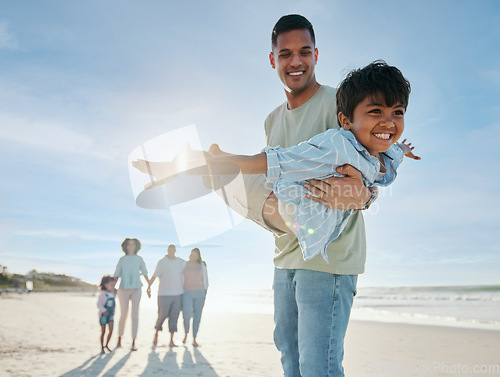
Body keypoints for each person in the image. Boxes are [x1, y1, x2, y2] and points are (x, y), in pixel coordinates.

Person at [132, 61, 419, 262]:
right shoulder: (336, 146)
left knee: (227, 179)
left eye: (397, 113)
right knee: (227, 177)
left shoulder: (385, 151)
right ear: (345, 120)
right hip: (278, 204)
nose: (388, 122)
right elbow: (278, 160)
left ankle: (208, 160)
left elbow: (391, 154)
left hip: (290, 220)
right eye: (376, 111)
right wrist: (207, 165)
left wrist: (400, 149)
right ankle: (199, 161)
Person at [114, 238, 150, 351]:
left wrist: (149, 286)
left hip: (136, 289)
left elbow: (144, 273)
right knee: (123, 314)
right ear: (125, 246)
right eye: (129, 245)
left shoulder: (139, 259)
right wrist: (111, 288)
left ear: (136, 246)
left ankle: (133, 342)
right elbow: (116, 274)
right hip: (123, 289)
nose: (131, 247)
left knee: (135, 316)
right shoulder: (122, 259)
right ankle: (119, 340)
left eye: (133, 245)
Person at [148, 244, 186, 347]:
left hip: (178, 294)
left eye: (173, 249)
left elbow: (190, 267)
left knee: (174, 317)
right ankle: (156, 335)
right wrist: (149, 286)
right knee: (162, 315)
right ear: (167, 250)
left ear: (175, 250)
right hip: (163, 294)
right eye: (170, 249)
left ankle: (171, 340)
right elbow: (154, 275)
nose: (172, 251)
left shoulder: (181, 262)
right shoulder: (162, 262)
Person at [182, 247, 209, 347]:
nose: (193, 256)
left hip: (200, 293)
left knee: (197, 316)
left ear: (198, 256)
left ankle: (194, 338)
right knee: (186, 315)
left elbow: (205, 279)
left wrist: (205, 291)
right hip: (187, 292)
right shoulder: (185, 264)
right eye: (191, 254)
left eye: (195, 255)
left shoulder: (202, 265)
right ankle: (185, 334)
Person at [97, 275, 117, 354]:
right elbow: (99, 304)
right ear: (105, 285)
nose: (113, 287)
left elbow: (113, 304)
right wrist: (104, 310)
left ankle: (107, 344)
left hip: (111, 314)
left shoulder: (113, 293)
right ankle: (102, 347)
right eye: (111, 285)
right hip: (103, 315)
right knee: (103, 331)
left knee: (111, 330)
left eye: (114, 285)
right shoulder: (103, 294)